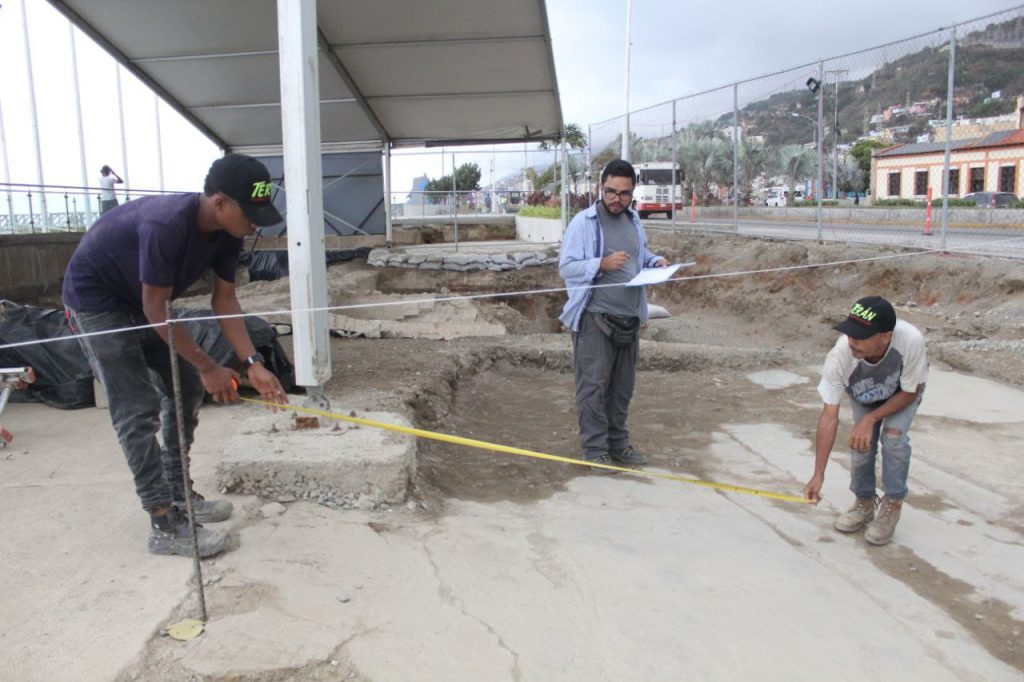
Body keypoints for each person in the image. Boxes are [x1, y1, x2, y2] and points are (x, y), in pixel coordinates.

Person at [63, 154, 288, 558]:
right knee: (136, 407)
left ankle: (178, 490)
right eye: (250, 214)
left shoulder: (228, 233)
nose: (256, 224)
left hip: (141, 300)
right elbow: (156, 308)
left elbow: (225, 299)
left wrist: (253, 364)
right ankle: (164, 521)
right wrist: (208, 365)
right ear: (220, 202)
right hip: (97, 301)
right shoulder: (167, 226)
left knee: (184, 385)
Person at [558, 159, 670, 470]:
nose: (616, 199)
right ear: (600, 188)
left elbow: (638, 256)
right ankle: (596, 451)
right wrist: (601, 264)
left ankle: (619, 446)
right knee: (593, 387)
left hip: (629, 319)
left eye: (623, 193)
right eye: (610, 191)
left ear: (633, 193)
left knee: (621, 389)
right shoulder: (584, 223)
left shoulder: (634, 221)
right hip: (595, 319)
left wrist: (655, 261)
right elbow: (566, 267)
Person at [804, 296, 928, 546]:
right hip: (865, 390)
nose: (852, 341)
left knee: (893, 437)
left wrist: (871, 418)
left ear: (885, 336)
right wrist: (818, 474)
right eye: (850, 333)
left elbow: (910, 392)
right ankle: (864, 502)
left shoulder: (910, 341)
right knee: (861, 444)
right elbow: (829, 417)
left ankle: (892, 503)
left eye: (861, 336)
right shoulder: (840, 356)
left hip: (901, 392)